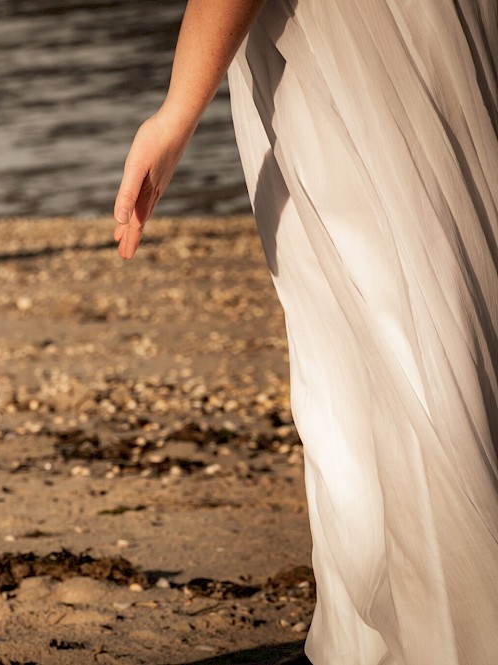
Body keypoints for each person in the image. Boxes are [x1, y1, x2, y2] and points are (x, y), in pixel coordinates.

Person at [113, 1, 498, 664]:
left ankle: (442, 630)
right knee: (451, 297)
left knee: (385, 332)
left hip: (341, 43)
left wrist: (176, 112)